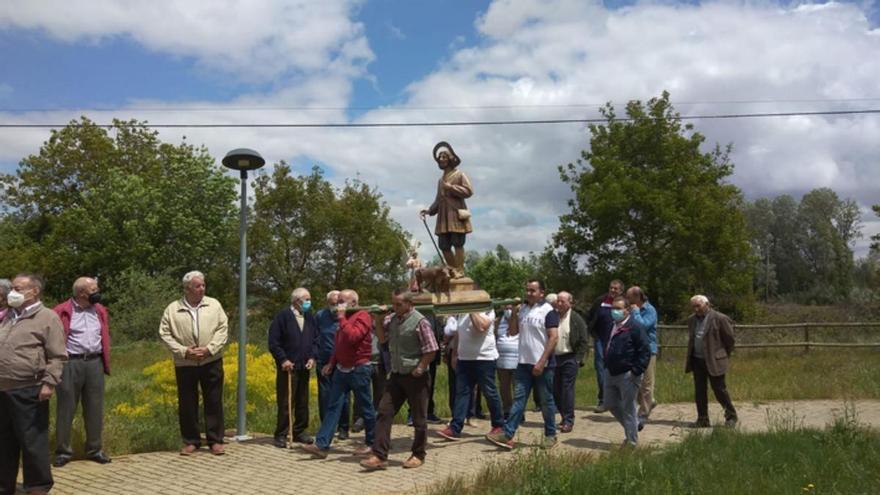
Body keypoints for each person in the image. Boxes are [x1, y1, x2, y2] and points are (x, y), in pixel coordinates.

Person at [0, 273, 67, 495]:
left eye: (18, 288)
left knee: (32, 442)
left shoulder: (47, 317)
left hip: (30, 388)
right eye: (12, 288)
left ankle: (38, 486)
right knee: (4, 442)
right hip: (3, 388)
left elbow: (57, 356)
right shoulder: (8, 316)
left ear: (34, 291)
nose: (12, 292)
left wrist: (49, 384)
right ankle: (4, 485)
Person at [360, 290, 439, 470]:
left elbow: (431, 349)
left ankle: (418, 454)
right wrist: (378, 321)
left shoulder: (421, 322)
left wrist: (420, 367)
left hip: (416, 377)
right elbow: (382, 340)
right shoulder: (392, 320)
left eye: (398, 304)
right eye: (393, 304)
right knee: (384, 411)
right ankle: (379, 455)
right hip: (396, 375)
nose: (394, 308)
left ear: (409, 304)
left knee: (419, 418)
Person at [158, 271, 229, 456]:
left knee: (213, 400)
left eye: (204, 285)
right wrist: (184, 351)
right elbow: (165, 334)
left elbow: (223, 329)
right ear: (187, 288)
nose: (202, 289)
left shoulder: (214, 305)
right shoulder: (173, 309)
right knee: (187, 402)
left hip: (211, 360)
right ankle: (191, 441)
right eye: (198, 286)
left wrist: (209, 349)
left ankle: (215, 440)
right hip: (185, 363)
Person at [486, 279, 559, 450]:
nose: (528, 293)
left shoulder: (548, 311)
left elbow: (553, 337)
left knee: (546, 401)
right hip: (523, 363)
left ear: (542, 292)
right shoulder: (524, 309)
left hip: (543, 365)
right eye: (527, 290)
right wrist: (513, 314)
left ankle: (550, 434)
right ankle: (508, 433)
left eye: (532, 291)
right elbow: (513, 332)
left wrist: (541, 361)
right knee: (519, 399)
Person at [302, 290, 375, 458]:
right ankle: (322, 444)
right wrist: (331, 363)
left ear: (353, 303)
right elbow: (340, 344)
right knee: (333, 406)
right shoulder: (343, 319)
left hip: (359, 369)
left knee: (366, 407)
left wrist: (342, 318)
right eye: (338, 302)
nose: (338, 305)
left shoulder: (363, 316)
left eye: (342, 301)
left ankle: (373, 443)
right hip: (341, 369)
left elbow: (353, 337)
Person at [52, 277, 112, 467]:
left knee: (95, 408)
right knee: (66, 408)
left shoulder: (100, 310)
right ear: (81, 293)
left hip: (95, 362)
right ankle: (63, 451)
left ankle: (95, 449)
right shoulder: (61, 311)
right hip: (70, 363)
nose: (97, 292)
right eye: (93, 289)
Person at [437, 309, 504, 441]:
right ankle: (455, 428)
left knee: (490, 393)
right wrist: (455, 354)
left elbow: (481, 327)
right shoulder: (461, 312)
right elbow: (459, 334)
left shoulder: (489, 310)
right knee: (462, 393)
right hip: (464, 359)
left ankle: (498, 425)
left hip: (485, 359)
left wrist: (471, 310)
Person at [268, 287, 318, 447]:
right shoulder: (283, 317)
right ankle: (281, 433)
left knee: (303, 400)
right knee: (286, 401)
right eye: (306, 300)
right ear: (297, 301)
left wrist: (312, 357)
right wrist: (283, 360)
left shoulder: (309, 316)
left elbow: (316, 339)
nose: (309, 303)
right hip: (288, 367)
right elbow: (274, 342)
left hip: (304, 366)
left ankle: (300, 431)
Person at [419, 141, 473, 277]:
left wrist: (451, 188)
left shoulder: (460, 174)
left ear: (451, 159)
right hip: (443, 216)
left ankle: (460, 270)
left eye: (444, 156)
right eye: (439, 157)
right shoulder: (440, 180)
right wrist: (429, 211)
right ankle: (453, 269)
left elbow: (469, 191)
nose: (441, 159)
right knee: (444, 245)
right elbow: (438, 199)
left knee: (457, 242)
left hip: (455, 214)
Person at [603, 296, 650, 447]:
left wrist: (636, 370)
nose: (614, 312)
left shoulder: (635, 326)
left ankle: (631, 442)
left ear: (627, 310)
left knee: (628, 407)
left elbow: (645, 351)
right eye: (613, 309)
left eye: (618, 308)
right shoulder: (612, 325)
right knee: (610, 403)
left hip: (628, 374)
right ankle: (634, 426)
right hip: (610, 372)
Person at [686, 295, 738, 428]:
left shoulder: (720, 318)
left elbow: (730, 339)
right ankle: (703, 419)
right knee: (699, 391)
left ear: (707, 304)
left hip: (715, 360)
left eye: (698, 306)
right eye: (693, 306)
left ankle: (731, 416)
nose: (696, 309)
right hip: (697, 360)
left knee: (719, 389)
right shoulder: (691, 320)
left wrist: (723, 354)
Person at [314, 290, 352, 439]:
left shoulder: (348, 316)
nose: (336, 307)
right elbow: (315, 337)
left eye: (338, 303)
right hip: (324, 361)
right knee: (325, 395)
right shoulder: (320, 316)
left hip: (343, 361)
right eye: (333, 304)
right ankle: (326, 428)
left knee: (344, 396)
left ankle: (343, 428)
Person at [552, 291, 589, 433]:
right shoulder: (553, 316)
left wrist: (578, 359)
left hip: (569, 358)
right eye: (558, 301)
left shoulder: (576, 319)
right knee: (556, 390)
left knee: (567, 389)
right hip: (555, 358)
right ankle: (562, 416)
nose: (559, 304)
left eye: (563, 301)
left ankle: (569, 420)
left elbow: (583, 340)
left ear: (570, 303)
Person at [587, 280, 624, 413]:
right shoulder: (600, 301)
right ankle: (603, 400)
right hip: (600, 340)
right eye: (611, 288)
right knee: (600, 369)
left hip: (618, 340)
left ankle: (619, 399)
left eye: (616, 289)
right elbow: (590, 316)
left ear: (621, 291)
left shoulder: (624, 303)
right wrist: (593, 333)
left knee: (618, 369)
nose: (613, 290)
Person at [627, 286, 658, 431]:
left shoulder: (649, 310)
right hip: (634, 350)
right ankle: (649, 402)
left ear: (637, 297)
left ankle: (643, 415)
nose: (627, 300)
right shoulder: (630, 309)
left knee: (646, 383)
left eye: (630, 297)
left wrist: (636, 313)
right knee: (636, 383)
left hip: (648, 351)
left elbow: (642, 326)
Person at [494, 305, 518, 419]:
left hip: (517, 358)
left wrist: (513, 315)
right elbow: (495, 335)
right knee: (504, 387)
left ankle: (518, 412)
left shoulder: (519, 318)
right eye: (506, 306)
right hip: (502, 358)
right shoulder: (498, 320)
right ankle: (507, 409)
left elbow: (515, 331)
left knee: (517, 387)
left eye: (510, 306)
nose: (508, 308)